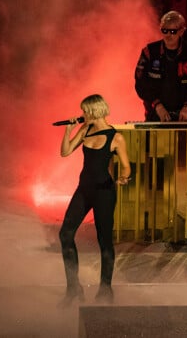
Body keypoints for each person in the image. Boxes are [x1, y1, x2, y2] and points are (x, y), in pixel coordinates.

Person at [58, 94, 131, 305]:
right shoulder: (86, 129)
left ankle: (106, 289)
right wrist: (68, 130)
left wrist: (124, 177)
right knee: (65, 234)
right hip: (84, 190)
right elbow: (65, 152)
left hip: (104, 192)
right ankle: (73, 288)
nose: (82, 115)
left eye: (84, 111)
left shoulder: (115, 137)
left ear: (93, 111)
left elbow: (126, 165)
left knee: (104, 241)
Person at [134, 11, 187, 122]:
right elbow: (140, 83)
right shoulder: (149, 52)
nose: (168, 35)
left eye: (173, 31)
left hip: (184, 117)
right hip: (154, 115)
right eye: (164, 30)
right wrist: (157, 105)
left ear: (181, 31)